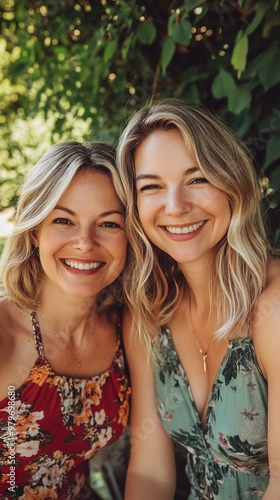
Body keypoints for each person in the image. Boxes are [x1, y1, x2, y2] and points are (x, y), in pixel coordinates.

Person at [116, 99, 280, 499]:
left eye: (198, 178)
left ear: (233, 183)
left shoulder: (272, 308)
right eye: (151, 186)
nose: (176, 207)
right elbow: (151, 472)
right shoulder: (148, 314)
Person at [0, 141, 131, 499]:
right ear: (34, 230)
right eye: (63, 220)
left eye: (108, 223)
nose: (85, 243)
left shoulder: (125, 327)